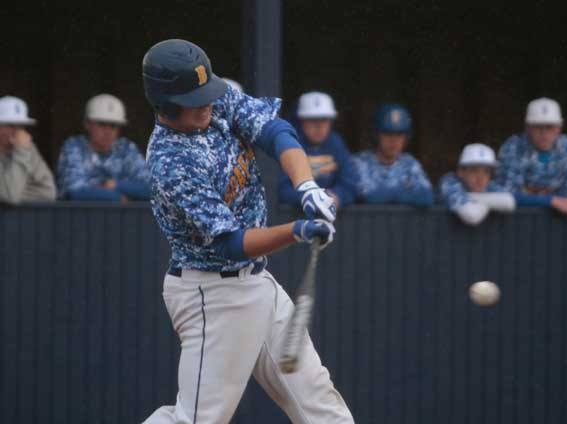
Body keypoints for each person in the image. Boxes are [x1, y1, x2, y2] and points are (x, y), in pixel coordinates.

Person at [141, 39, 353, 424]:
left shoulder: (215, 102)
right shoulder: (170, 160)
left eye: (207, 93)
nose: (207, 103)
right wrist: (297, 230)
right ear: (166, 102)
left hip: (257, 283)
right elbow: (231, 243)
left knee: (319, 403)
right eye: (195, 98)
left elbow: (275, 131)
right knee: (197, 420)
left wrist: (306, 185)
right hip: (213, 292)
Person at [56, 94, 151, 201]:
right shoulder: (74, 147)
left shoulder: (126, 148)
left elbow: (153, 189)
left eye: (113, 126)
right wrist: (118, 198)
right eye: (101, 124)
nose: (107, 132)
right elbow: (75, 191)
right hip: (80, 217)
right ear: (87, 124)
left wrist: (116, 185)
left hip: (122, 217)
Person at [496, 97, 567, 215]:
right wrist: (550, 200)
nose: (544, 133)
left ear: (559, 128)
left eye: (549, 127)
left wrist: (529, 193)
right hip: (519, 219)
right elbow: (505, 195)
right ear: (527, 128)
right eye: (537, 127)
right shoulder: (512, 147)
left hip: (559, 220)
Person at [278, 91, 356, 209]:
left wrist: (337, 196)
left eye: (324, 120)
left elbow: (350, 183)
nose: (319, 126)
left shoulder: (336, 143)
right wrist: (309, 198)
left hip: (333, 218)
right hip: (296, 218)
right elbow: (280, 188)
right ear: (301, 121)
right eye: (312, 120)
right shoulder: (289, 144)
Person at [352, 104, 433, 206]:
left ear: (406, 138)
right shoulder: (360, 162)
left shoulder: (410, 163)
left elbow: (427, 197)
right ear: (376, 135)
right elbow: (368, 196)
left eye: (399, 135)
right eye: (387, 134)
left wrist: (390, 194)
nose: (394, 141)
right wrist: (405, 192)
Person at [439, 143, 514, 225]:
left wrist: (470, 197)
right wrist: (491, 202)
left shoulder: (489, 185)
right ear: (460, 172)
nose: (481, 178)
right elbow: (472, 215)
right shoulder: (449, 181)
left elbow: (509, 201)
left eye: (486, 172)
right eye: (474, 170)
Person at [0, 96, 56, 204]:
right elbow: (10, 196)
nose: (17, 132)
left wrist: (13, 191)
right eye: (11, 125)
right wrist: (21, 152)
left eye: (21, 126)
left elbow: (48, 191)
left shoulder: (25, 148)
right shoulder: (23, 150)